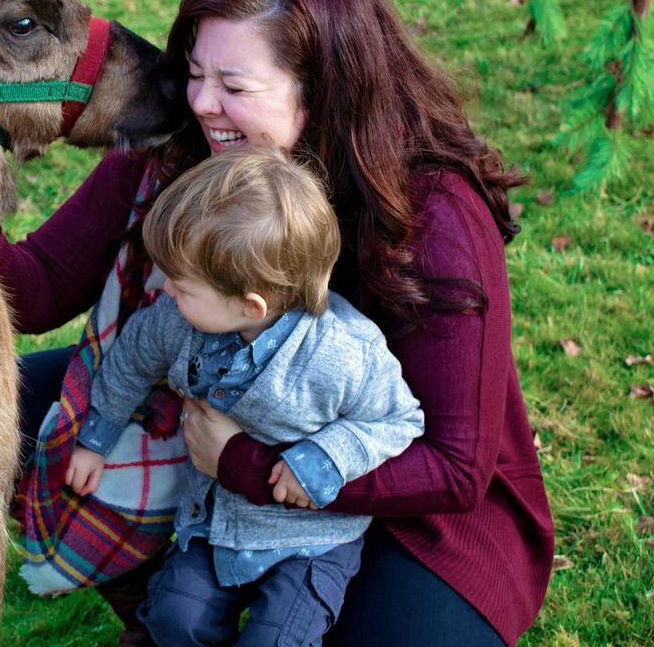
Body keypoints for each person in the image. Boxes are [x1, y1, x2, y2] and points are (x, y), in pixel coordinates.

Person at [0, 0, 554, 646]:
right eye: (195, 74)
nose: (202, 103)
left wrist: (248, 465)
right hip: (217, 405)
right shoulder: (186, 149)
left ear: (322, 90)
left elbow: (452, 467)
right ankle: (157, 596)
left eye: (234, 86)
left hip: (408, 499)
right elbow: (38, 288)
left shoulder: (433, 214)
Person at [64, 146, 424, 646]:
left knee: (276, 639)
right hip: (215, 523)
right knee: (174, 619)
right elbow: (131, 359)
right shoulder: (177, 322)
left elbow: (399, 421)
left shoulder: (342, 354)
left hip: (311, 542)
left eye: (183, 286)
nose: (165, 288)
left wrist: (323, 458)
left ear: (250, 305)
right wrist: (96, 438)